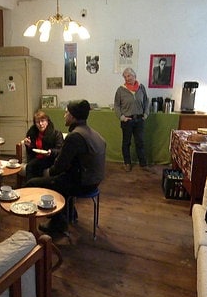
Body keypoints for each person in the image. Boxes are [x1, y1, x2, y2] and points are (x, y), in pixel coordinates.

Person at [25, 100, 106, 234]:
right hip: (94, 181)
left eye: (66, 112)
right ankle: (68, 214)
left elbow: (58, 167)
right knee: (59, 181)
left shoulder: (75, 136)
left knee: (33, 183)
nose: (64, 115)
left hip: (83, 183)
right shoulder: (92, 133)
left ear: (73, 116)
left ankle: (58, 223)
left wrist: (47, 173)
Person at [114, 67, 150, 172]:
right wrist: (121, 117)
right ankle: (127, 163)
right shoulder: (120, 90)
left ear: (134, 76)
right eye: (125, 77)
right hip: (127, 121)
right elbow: (117, 105)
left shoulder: (141, 88)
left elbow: (146, 101)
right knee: (126, 143)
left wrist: (146, 114)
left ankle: (143, 164)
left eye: (129, 76)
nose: (127, 78)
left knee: (140, 142)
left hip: (139, 120)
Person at [23, 110, 64, 182]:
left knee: (33, 166)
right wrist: (29, 145)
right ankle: (31, 188)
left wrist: (51, 152)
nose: (40, 124)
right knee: (32, 165)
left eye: (42, 121)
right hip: (36, 158)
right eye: (37, 122)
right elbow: (30, 152)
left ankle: (34, 187)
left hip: (51, 159)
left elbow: (60, 150)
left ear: (47, 122)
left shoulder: (56, 133)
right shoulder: (32, 133)